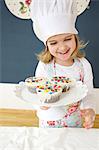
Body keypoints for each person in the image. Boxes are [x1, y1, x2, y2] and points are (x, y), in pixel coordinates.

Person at [30, 0, 95, 128]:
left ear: (75, 38)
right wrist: (40, 104)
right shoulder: (44, 65)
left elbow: (89, 93)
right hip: (49, 122)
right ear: (47, 46)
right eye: (54, 43)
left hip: (74, 121)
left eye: (67, 39)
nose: (62, 47)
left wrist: (89, 110)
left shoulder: (83, 66)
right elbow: (36, 92)